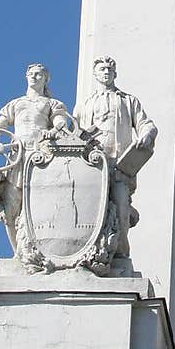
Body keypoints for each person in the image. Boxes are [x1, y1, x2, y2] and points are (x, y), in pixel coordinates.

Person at [0, 63, 70, 252]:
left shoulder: (51, 103)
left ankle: (40, 249)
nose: (34, 77)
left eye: (39, 74)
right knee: (11, 205)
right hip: (17, 156)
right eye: (31, 74)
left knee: (39, 203)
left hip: (41, 155)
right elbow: (0, 124)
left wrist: (56, 129)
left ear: (45, 79)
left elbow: (60, 121)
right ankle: (19, 253)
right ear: (26, 76)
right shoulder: (16, 103)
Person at [74, 56, 157, 259]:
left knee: (121, 206)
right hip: (93, 166)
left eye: (109, 69)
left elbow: (147, 124)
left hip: (120, 165)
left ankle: (120, 253)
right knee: (91, 213)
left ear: (115, 74)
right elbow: (73, 134)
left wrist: (146, 135)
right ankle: (93, 252)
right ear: (95, 74)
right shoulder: (84, 105)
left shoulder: (128, 101)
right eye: (102, 69)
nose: (105, 72)